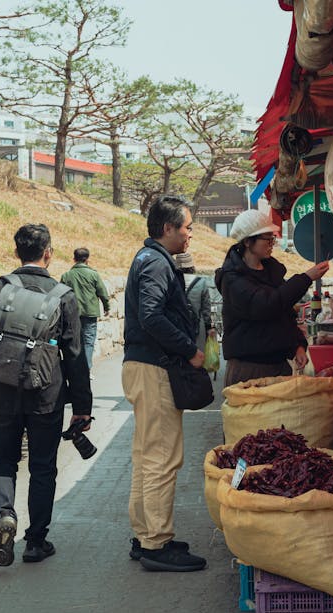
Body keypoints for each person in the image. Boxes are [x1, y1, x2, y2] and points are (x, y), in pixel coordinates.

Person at [0, 224, 93, 568]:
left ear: (17, 252)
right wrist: (82, 407)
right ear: (48, 253)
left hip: (1, 390)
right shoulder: (63, 295)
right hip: (46, 393)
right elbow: (75, 356)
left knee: (2, 459)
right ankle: (36, 541)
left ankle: (5, 515)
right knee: (43, 466)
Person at [122, 195, 207, 573]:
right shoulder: (156, 263)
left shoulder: (148, 259)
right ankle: (156, 543)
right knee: (161, 457)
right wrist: (189, 349)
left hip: (142, 366)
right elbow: (152, 316)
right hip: (155, 369)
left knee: (146, 456)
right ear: (168, 228)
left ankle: (145, 536)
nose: (190, 234)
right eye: (187, 227)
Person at [215, 209, 329, 388]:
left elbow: (284, 313)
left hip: (278, 365)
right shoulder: (232, 279)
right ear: (247, 241)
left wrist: (297, 345)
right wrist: (306, 278)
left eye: (272, 239)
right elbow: (267, 305)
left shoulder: (271, 272)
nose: (271, 244)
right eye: (267, 239)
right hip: (248, 369)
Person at [60, 247, 110, 376]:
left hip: (72, 313)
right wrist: (107, 307)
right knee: (88, 342)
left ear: (74, 259)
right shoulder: (94, 275)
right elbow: (103, 293)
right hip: (90, 313)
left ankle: (73, 370)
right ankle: (85, 370)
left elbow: (60, 294)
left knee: (74, 342)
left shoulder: (66, 275)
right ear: (87, 259)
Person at [174, 251, 216, 351]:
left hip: (177, 326)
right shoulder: (201, 282)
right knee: (197, 356)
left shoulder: (172, 281)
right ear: (191, 266)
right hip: (198, 327)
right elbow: (206, 308)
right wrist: (209, 327)